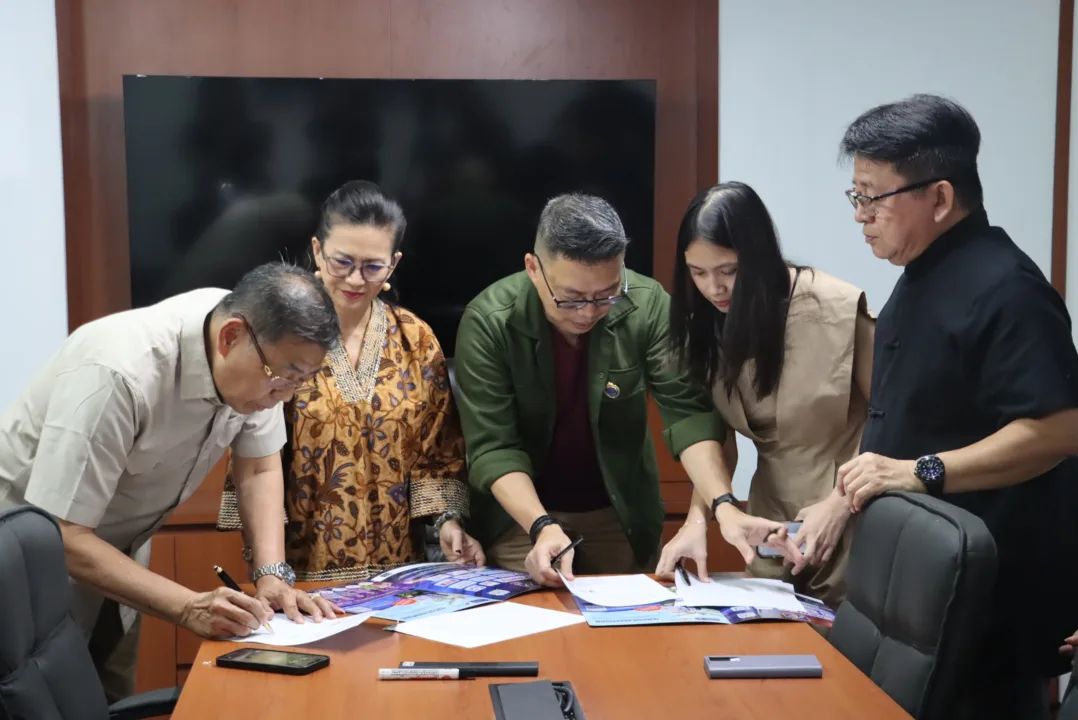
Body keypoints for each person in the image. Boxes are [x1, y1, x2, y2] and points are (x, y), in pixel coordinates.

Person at [835, 93, 1078, 718]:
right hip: (916, 592)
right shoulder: (923, 272)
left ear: (939, 198)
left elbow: (1059, 429)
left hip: (984, 608)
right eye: (856, 195)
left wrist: (920, 471)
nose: (860, 215)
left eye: (873, 197)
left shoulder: (1007, 289)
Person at [0, 262, 343, 703]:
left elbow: (259, 467)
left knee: (106, 697)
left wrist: (272, 576)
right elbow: (61, 533)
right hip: (23, 562)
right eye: (283, 378)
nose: (287, 395)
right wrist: (187, 606)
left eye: (301, 381)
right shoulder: (118, 371)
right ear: (229, 337)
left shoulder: (260, 351)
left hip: (115, 551)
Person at [453, 192, 801, 587]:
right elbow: (494, 447)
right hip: (518, 517)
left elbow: (689, 415)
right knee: (535, 616)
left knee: (630, 617)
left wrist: (722, 505)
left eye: (606, 294)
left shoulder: (648, 305)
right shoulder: (490, 322)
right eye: (571, 299)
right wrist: (541, 525)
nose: (589, 312)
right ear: (534, 269)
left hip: (618, 512)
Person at [217, 180, 483, 581]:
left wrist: (448, 524)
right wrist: (268, 567)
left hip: (401, 579)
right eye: (342, 262)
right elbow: (254, 461)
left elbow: (438, 454)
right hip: (303, 576)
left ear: (393, 264)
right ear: (317, 250)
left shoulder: (415, 339)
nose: (356, 280)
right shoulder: (280, 337)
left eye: (373, 266)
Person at [653, 182, 874, 609]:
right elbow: (719, 440)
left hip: (853, 508)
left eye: (728, 270)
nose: (714, 287)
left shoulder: (836, 309)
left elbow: (893, 416)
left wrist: (840, 502)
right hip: (772, 522)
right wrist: (699, 517)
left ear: (758, 257)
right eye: (698, 272)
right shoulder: (708, 324)